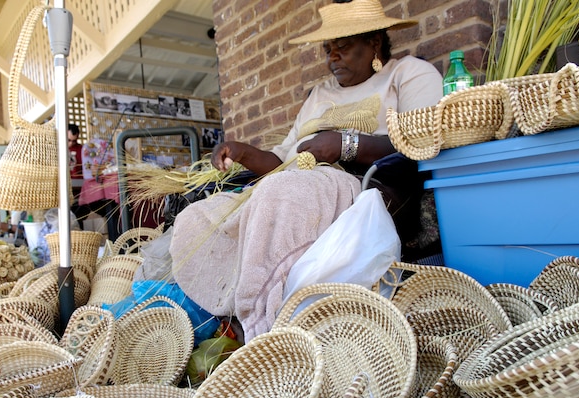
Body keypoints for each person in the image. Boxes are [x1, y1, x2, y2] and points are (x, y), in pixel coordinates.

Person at [168, 0, 443, 342]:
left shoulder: (407, 75)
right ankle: (233, 311)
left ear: (374, 42)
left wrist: (346, 145)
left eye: (342, 47)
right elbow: (282, 159)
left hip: (367, 189)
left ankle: (260, 325)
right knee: (200, 216)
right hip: (295, 186)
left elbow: (421, 142)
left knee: (280, 194)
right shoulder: (320, 94)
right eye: (328, 49)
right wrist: (243, 152)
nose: (332, 58)